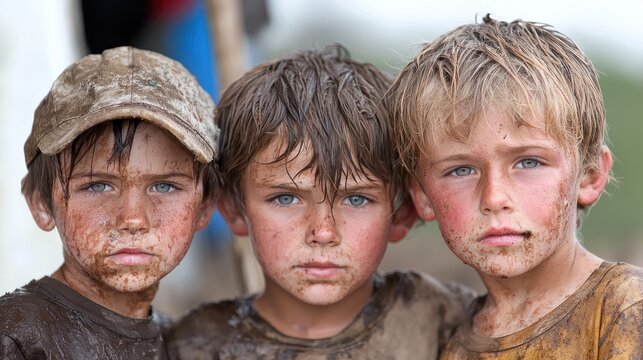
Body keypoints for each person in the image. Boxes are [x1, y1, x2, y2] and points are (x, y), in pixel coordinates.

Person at [166, 44, 474, 359]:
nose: (323, 233)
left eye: (356, 199)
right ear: (232, 208)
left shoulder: (449, 324)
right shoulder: (195, 346)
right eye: (285, 198)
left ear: (403, 213)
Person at [387, 15, 643, 358]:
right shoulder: (439, 336)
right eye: (461, 170)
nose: (494, 197)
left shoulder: (624, 307)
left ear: (590, 176)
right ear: (421, 195)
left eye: (528, 162)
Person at [0, 46, 219, 359]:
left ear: (205, 205)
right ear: (41, 204)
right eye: (98, 185)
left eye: (164, 186)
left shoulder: (184, 346)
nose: (132, 218)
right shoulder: (15, 338)